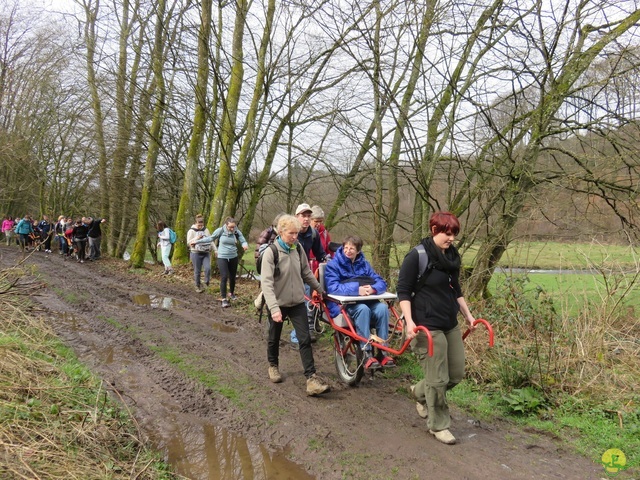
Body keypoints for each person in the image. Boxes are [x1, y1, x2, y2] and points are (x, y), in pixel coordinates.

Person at [396, 211, 476, 445]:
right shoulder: (417, 256)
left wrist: (469, 316)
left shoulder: (451, 256)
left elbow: (456, 289)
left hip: (449, 322)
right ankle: (439, 425)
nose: (450, 238)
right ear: (434, 231)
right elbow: (403, 291)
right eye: (446, 233)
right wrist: (410, 323)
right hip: (425, 325)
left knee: (456, 374)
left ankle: (419, 393)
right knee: (438, 379)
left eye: (454, 234)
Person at [260, 214, 330, 396]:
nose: (295, 237)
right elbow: (266, 284)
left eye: (296, 233)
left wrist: (320, 290)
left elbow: (306, 273)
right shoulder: (271, 252)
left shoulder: (297, 248)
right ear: (281, 232)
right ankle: (273, 366)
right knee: (274, 337)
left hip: (298, 301)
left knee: (305, 338)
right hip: (278, 303)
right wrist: (274, 309)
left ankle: (311, 379)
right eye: (291, 233)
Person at [324, 235, 395, 369]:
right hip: (345, 304)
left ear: (358, 250)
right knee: (363, 309)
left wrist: (373, 289)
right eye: (346, 248)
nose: (348, 251)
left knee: (382, 308)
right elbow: (333, 288)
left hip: (366, 300)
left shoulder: (364, 264)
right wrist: (357, 289)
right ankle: (366, 351)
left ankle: (382, 351)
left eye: (352, 248)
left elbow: (381, 282)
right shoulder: (333, 265)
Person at [290, 203, 328, 347]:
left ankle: (296, 336)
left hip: (303, 273)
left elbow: (320, 255)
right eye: (303, 216)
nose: (306, 219)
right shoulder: (290, 232)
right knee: (283, 304)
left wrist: (328, 263)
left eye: (308, 216)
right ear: (296, 217)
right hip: (287, 274)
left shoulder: (313, 233)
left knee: (305, 303)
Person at [194, 217, 248, 307]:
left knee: (232, 277)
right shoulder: (220, 231)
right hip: (222, 257)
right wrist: (197, 242)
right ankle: (224, 299)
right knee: (224, 277)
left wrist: (244, 245)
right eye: (230, 227)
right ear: (226, 225)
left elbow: (243, 240)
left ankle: (231, 293)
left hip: (233, 257)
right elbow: (210, 239)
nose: (232, 229)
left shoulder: (236, 231)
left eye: (233, 227)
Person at [186, 214, 212, 293]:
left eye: (202, 225)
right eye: (199, 225)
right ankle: (197, 285)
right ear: (195, 223)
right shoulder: (191, 231)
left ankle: (206, 283)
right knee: (197, 271)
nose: (200, 227)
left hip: (205, 252)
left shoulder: (206, 230)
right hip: (195, 253)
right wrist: (196, 238)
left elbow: (211, 240)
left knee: (208, 268)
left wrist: (216, 250)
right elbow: (188, 243)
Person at [309, 205, 334, 272]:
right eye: (316, 221)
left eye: (321, 221)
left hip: (320, 268)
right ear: (310, 220)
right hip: (307, 267)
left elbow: (329, 253)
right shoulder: (303, 232)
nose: (319, 224)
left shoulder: (325, 233)